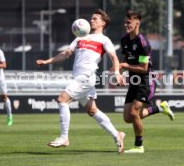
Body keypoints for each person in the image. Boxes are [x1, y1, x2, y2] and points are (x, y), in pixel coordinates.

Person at [36, 9, 125, 154]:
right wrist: (47, 61)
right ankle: (117, 135)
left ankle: (64, 137)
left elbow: (114, 58)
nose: (92, 20)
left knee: (62, 99)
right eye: (91, 18)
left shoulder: (104, 40)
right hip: (78, 77)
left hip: (86, 76)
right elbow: (65, 54)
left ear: (103, 23)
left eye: (95, 19)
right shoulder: (80, 38)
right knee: (92, 110)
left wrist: (116, 72)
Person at [119, 10, 174, 153]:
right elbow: (125, 59)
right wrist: (120, 71)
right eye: (125, 22)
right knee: (128, 117)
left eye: (129, 22)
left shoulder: (143, 43)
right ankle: (159, 108)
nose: (126, 24)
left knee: (133, 112)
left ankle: (139, 146)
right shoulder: (124, 40)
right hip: (133, 81)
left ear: (137, 23)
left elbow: (144, 69)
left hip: (146, 81)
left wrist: (125, 66)